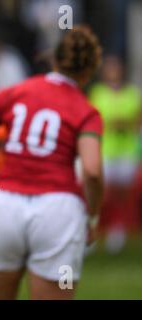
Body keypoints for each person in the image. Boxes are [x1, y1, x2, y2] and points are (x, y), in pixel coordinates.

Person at [0, 25, 103, 299]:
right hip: (59, 211)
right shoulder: (86, 110)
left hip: (6, 205)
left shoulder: (16, 91)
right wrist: (93, 216)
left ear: (54, 58)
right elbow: (93, 171)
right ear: (89, 70)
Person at [89, 55, 142, 254]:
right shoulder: (98, 93)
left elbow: (137, 121)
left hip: (127, 151)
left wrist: (125, 125)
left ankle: (117, 231)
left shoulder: (132, 94)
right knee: (102, 193)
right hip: (106, 150)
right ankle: (94, 230)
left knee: (123, 195)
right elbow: (95, 120)